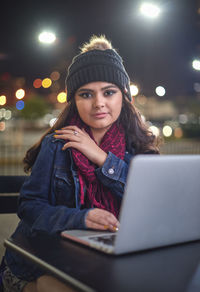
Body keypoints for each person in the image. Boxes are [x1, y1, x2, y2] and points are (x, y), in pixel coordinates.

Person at [0, 35, 160, 291]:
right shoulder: (57, 145)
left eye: (109, 92)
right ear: (73, 99)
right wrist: (80, 218)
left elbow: (151, 201)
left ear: (124, 95)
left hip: (107, 261)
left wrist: (100, 157)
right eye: (86, 94)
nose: (99, 103)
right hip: (38, 264)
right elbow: (29, 207)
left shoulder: (139, 148)